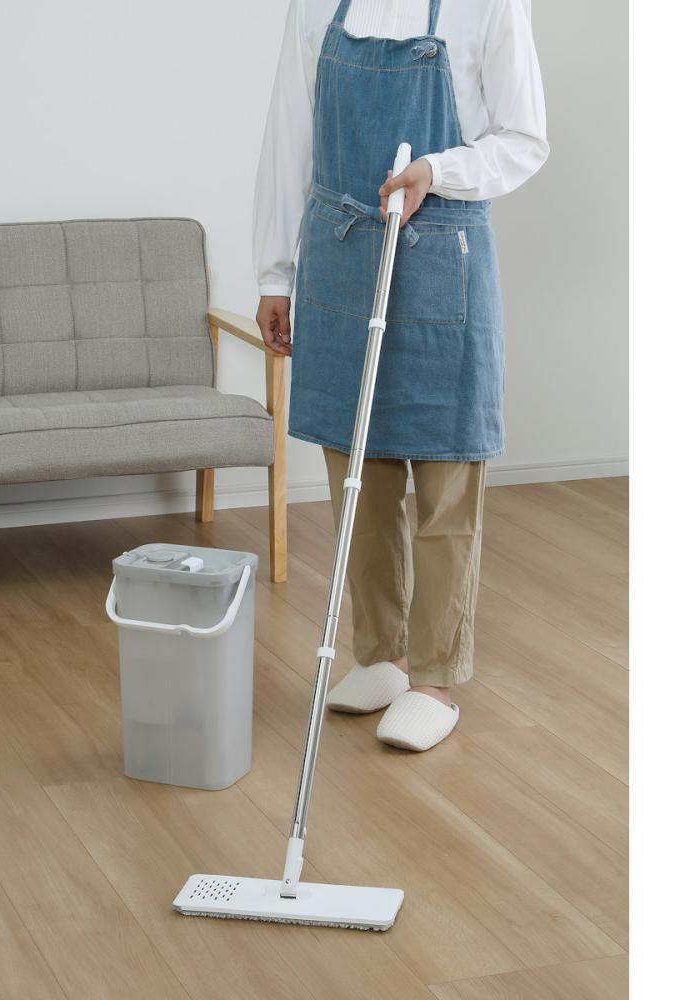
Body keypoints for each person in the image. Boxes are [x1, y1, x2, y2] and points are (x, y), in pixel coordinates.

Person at [252, 0, 548, 751]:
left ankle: (435, 680)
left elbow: (524, 139)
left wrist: (437, 170)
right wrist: (275, 273)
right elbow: (289, 138)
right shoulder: (318, 6)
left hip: (442, 254)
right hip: (342, 254)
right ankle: (380, 657)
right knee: (359, 474)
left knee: (446, 476)